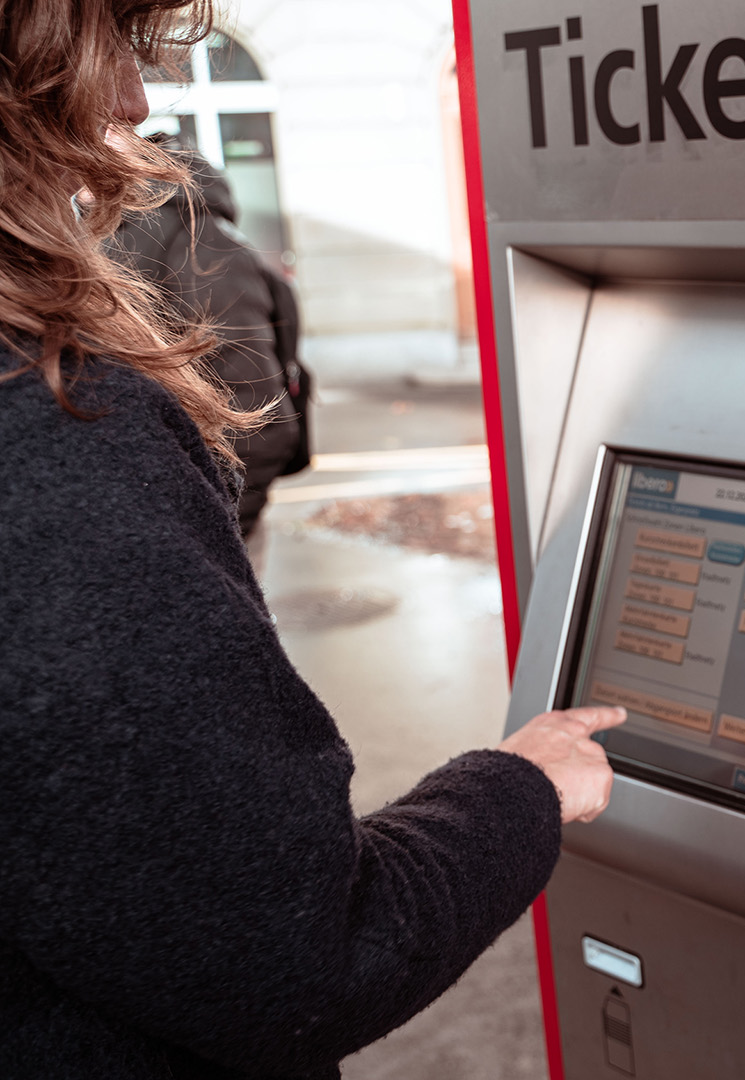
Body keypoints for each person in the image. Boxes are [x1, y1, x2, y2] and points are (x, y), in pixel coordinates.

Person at [0, 4, 624, 1077]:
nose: (135, 105)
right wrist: (520, 788)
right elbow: (291, 960)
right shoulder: (55, 436)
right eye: (111, 49)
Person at [112, 142, 305, 547]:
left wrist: (224, 535)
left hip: (199, 530)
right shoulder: (120, 236)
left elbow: (256, 414)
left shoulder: (197, 243)